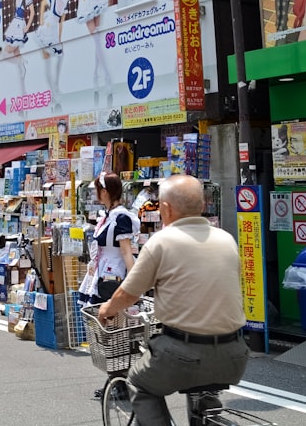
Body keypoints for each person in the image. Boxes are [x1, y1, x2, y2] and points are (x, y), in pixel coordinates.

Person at [98, 175, 248, 426]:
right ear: (201, 205)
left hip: (182, 354)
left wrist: (107, 309)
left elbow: (128, 294)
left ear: (165, 209)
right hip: (235, 354)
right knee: (204, 390)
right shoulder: (226, 239)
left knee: (139, 383)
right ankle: (209, 416)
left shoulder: (161, 242)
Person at [78, 172, 140, 398]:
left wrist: (134, 282)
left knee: (115, 332)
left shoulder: (120, 217)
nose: (95, 194)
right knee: (109, 332)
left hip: (112, 279)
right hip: (102, 277)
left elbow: (126, 251)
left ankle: (120, 382)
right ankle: (116, 381)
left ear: (104, 192)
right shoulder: (109, 215)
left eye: (97, 190)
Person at [36, 0, 71, 109]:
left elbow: (62, 20)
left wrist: (60, 38)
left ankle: (55, 88)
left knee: (60, 56)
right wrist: (41, 21)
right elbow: (43, 4)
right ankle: (53, 93)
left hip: (55, 29)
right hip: (47, 28)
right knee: (47, 62)